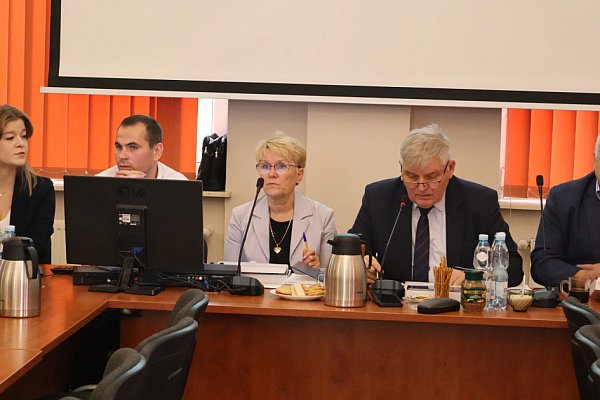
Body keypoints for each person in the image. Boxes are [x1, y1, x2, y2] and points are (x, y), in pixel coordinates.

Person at [350, 124, 523, 287]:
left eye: (431, 177)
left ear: (450, 168)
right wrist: (359, 264)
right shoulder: (379, 198)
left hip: (456, 304)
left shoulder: (480, 202)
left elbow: (514, 268)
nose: (421, 187)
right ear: (401, 168)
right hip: (395, 304)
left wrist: (474, 277)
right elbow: (352, 248)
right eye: (412, 176)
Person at [224, 133, 336, 270]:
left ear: (299, 175)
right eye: (265, 166)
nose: (271, 174)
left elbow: (329, 276)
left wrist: (316, 269)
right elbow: (230, 273)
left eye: (281, 166)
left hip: (302, 285)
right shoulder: (241, 216)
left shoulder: (323, 216)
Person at [531, 135, 600, 287]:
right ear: (595, 159)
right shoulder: (564, 198)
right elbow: (543, 262)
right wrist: (582, 277)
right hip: (582, 298)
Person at [0, 105, 55, 263]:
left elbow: (36, 247)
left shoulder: (41, 189)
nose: (21, 143)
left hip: (21, 275)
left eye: (23, 136)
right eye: (10, 138)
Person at [97, 114, 187, 180]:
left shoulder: (178, 185)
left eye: (132, 147)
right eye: (118, 147)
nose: (122, 156)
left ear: (156, 151)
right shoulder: (100, 183)